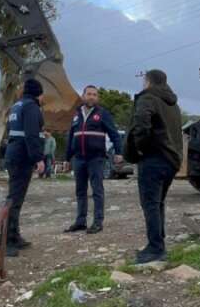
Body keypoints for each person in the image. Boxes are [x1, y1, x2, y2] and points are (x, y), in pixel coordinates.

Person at [124, 69, 183, 264]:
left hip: (154, 158)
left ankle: (156, 249)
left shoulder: (148, 98)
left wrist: (140, 148)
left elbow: (142, 122)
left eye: (144, 81)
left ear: (148, 81)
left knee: (150, 203)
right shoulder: (172, 104)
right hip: (171, 160)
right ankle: (158, 242)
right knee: (158, 203)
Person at [64, 85, 124, 235]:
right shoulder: (76, 115)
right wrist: (67, 158)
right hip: (78, 159)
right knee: (80, 191)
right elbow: (71, 137)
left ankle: (98, 222)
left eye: (94, 95)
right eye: (89, 94)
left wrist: (119, 152)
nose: (91, 97)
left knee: (97, 191)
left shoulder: (103, 114)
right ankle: (80, 221)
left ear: (97, 98)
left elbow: (115, 134)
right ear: (83, 96)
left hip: (96, 159)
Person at [3, 78, 46, 257]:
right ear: (39, 93)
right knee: (14, 199)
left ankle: (14, 235)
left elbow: (10, 130)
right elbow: (31, 135)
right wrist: (39, 158)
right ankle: (6, 241)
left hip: (13, 154)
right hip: (22, 157)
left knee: (15, 198)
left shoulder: (17, 105)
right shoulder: (31, 107)